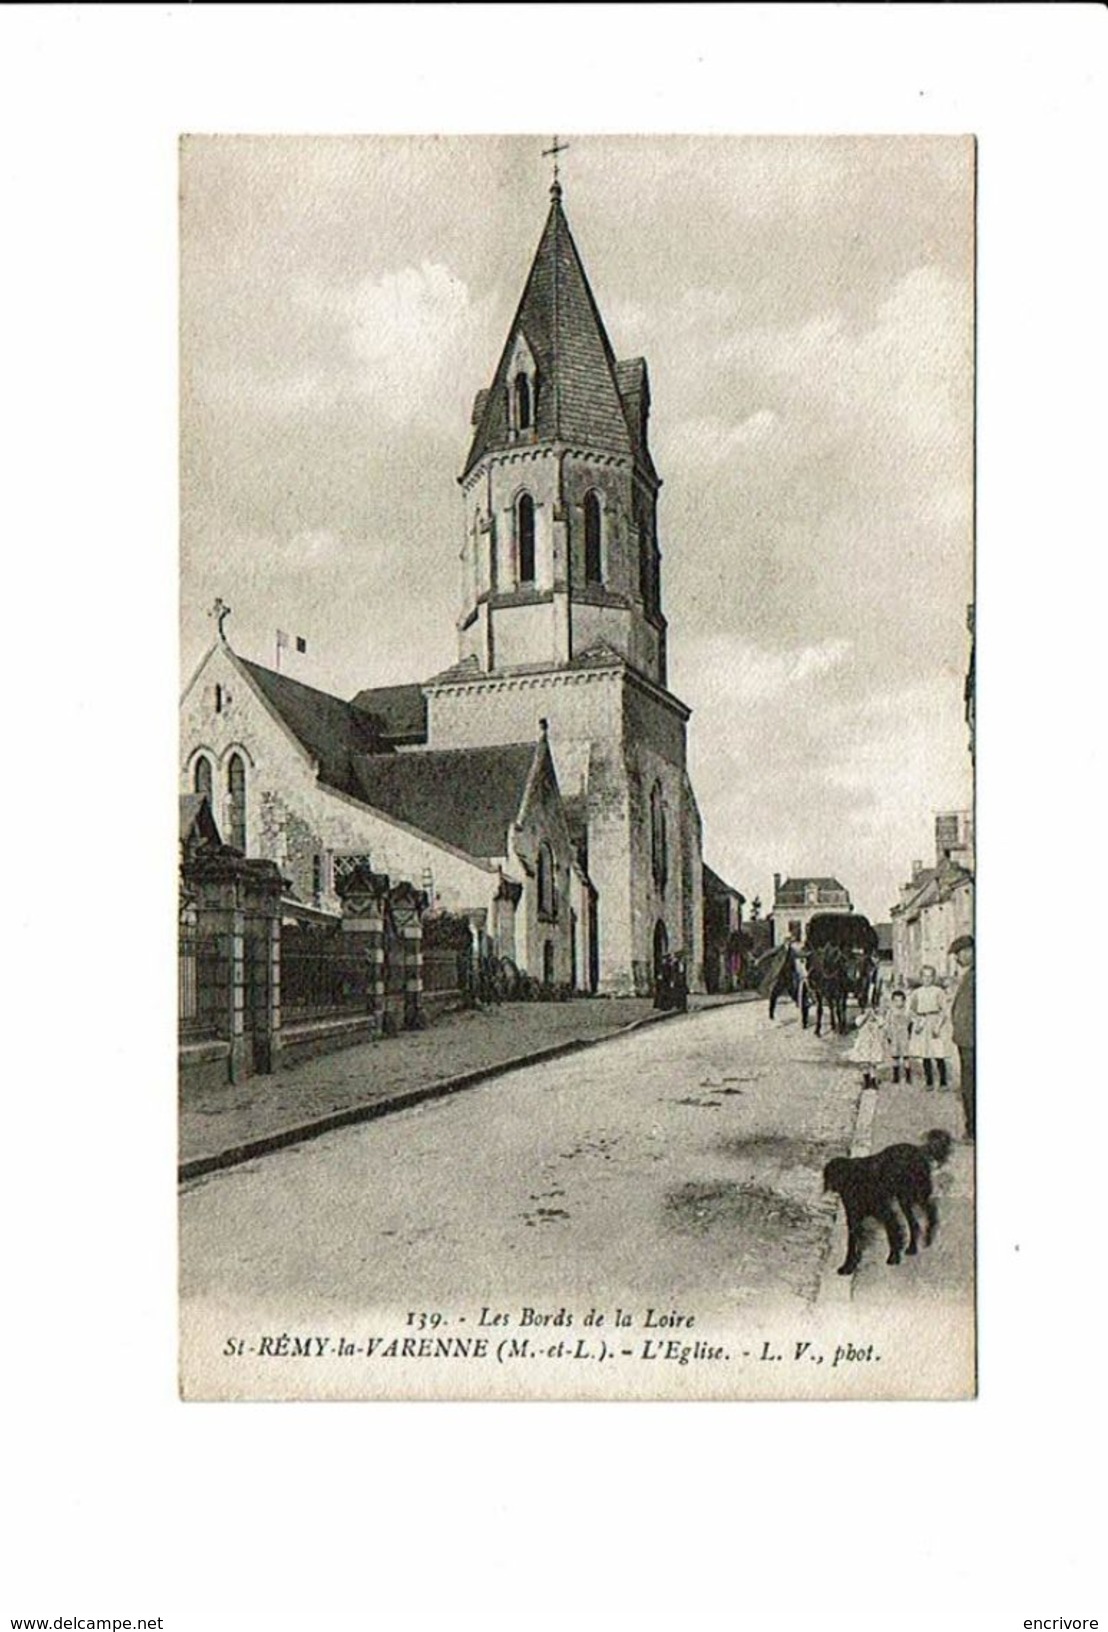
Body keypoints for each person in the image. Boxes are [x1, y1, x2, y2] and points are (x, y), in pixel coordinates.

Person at [949, 934, 975, 1140]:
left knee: (970, 1085)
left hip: (971, 1041)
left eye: (958, 954)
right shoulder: (970, 974)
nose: (957, 959)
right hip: (966, 1039)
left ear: (968, 952)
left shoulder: (975, 976)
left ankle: (973, 1129)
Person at [909, 964, 949, 1089]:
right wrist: (917, 1021)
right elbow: (911, 1010)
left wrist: (938, 1025)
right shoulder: (916, 992)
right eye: (924, 976)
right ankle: (929, 1082)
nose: (927, 979)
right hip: (922, 1022)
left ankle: (943, 1082)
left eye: (930, 976)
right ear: (921, 977)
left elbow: (944, 1010)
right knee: (925, 1054)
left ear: (933, 977)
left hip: (934, 1020)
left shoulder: (938, 991)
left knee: (938, 1053)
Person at [847, 1003, 885, 1091]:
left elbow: (881, 1023)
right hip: (863, 1044)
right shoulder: (860, 1018)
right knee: (864, 1063)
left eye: (871, 1009)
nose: (870, 1011)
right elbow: (858, 1024)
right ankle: (866, 1080)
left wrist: (874, 1016)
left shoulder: (877, 1019)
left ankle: (873, 1080)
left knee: (873, 1063)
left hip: (874, 1044)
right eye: (867, 1009)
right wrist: (866, 1016)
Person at [883, 988, 912, 1083]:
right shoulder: (890, 1012)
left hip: (904, 1035)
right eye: (895, 1000)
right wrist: (887, 1034)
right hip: (894, 1035)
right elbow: (887, 1023)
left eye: (900, 1000)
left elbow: (911, 1022)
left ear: (904, 1001)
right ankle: (896, 1076)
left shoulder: (907, 1012)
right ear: (892, 1001)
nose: (898, 1003)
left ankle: (908, 1076)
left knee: (906, 1056)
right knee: (895, 1056)